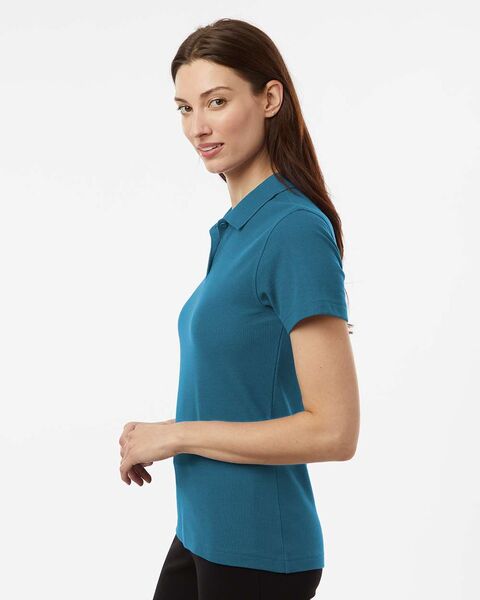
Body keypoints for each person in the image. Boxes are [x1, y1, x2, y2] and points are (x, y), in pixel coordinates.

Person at [119, 17, 360, 600]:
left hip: (256, 554)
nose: (197, 127)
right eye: (184, 108)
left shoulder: (293, 230)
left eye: (217, 101)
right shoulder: (239, 229)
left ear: (269, 98)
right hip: (202, 533)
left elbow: (335, 430)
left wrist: (177, 436)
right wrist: (169, 433)